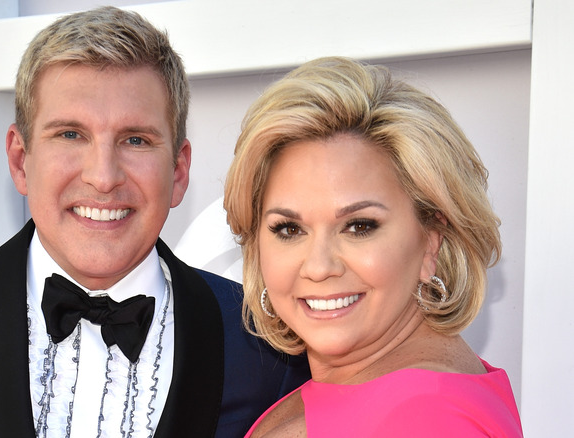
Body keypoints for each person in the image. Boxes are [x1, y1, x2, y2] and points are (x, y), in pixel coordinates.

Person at [0, 7, 309, 437]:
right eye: (71, 134)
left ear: (179, 171)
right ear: (20, 158)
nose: (102, 177)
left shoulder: (267, 344)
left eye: (136, 140)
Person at [223, 57, 523, 437]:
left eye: (359, 226)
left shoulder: (428, 420)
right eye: (289, 229)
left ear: (432, 241)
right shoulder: (366, 386)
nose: (318, 266)